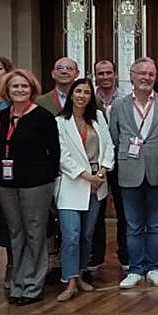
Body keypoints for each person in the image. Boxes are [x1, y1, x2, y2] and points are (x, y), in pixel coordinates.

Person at [0, 69, 60, 305]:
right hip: (7, 183)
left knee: (35, 233)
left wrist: (50, 180)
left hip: (36, 184)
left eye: (24, 86)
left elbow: (55, 152)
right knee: (16, 233)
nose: (19, 90)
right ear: (7, 91)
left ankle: (33, 285)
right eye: (15, 87)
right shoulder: (2, 116)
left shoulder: (43, 116)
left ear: (32, 89)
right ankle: (18, 282)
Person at [109, 57, 158, 290]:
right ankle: (136, 269)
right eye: (142, 73)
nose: (146, 78)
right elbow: (114, 138)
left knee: (157, 224)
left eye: (150, 74)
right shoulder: (119, 106)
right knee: (133, 224)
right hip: (129, 171)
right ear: (132, 76)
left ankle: (155, 267)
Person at [55, 77, 113, 302]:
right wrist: (85, 175)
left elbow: (108, 146)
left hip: (97, 184)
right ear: (71, 95)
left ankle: (80, 275)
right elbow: (62, 155)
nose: (82, 96)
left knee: (87, 235)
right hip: (72, 184)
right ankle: (68, 281)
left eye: (86, 93)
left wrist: (102, 172)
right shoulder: (60, 121)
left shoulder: (98, 117)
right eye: (78, 92)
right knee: (71, 235)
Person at [90, 58, 128, 274]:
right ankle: (95, 257)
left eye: (108, 73)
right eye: (100, 73)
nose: (104, 77)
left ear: (115, 74)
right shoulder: (89, 99)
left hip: (122, 161)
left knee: (124, 210)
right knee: (97, 210)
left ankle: (125, 256)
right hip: (98, 163)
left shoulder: (125, 99)